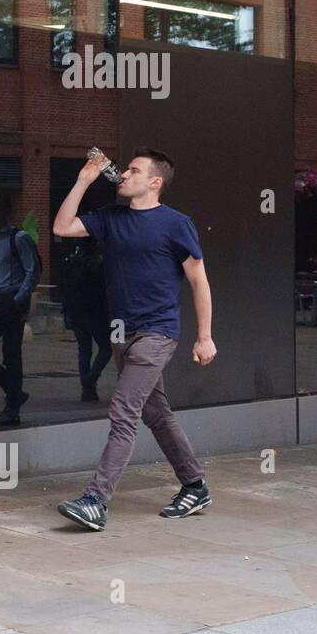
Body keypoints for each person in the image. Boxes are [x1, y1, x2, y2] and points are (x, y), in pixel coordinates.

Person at [52, 148, 216, 531]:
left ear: (154, 182)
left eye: (133, 170)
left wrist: (204, 336)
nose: (123, 174)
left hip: (157, 333)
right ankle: (195, 485)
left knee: (124, 409)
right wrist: (83, 181)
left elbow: (198, 280)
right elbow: (62, 227)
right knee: (155, 412)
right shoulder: (111, 219)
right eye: (124, 169)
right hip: (121, 334)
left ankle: (96, 499)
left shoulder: (176, 224)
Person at [0, 193, 37, 426]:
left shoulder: (19, 238)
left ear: (6, 211)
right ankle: (15, 393)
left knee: (12, 355)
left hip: (10, 300)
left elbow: (32, 272)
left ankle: (12, 408)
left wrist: (18, 299)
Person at [58, 238, 111, 401]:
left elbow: (65, 287)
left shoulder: (72, 261)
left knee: (84, 349)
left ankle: (87, 386)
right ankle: (90, 381)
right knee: (107, 347)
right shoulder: (99, 264)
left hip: (76, 311)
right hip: (95, 312)